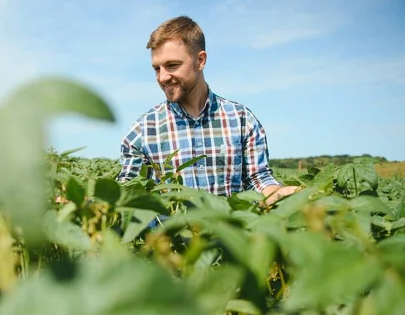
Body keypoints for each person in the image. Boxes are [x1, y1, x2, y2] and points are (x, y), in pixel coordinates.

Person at [116, 16, 300, 207]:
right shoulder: (142, 131)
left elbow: (259, 181)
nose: (162, 77)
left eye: (172, 65)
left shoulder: (242, 120)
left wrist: (287, 195)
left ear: (200, 60)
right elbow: (129, 193)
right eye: (156, 68)